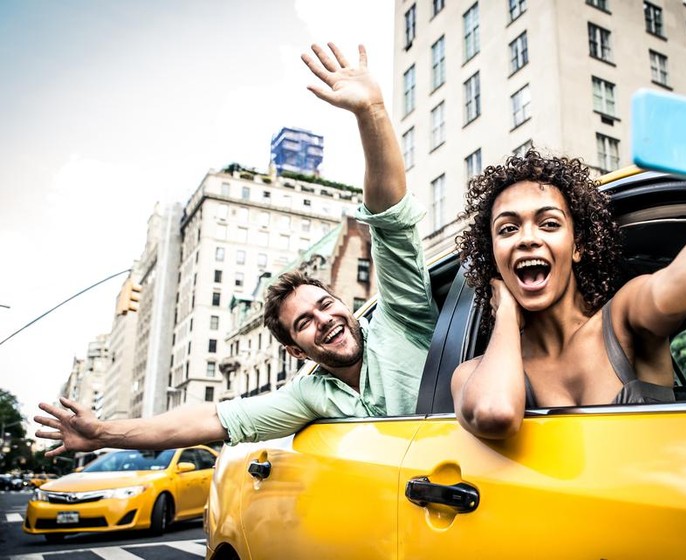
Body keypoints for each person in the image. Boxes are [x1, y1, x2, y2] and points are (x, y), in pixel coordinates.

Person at [35, 42, 438, 456]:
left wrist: (370, 111)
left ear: (345, 304)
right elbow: (208, 420)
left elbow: (389, 217)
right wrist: (102, 433)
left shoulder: (402, 317)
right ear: (295, 351)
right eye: (304, 322)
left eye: (325, 304)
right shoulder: (309, 395)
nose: (324, 319)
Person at [451, 87, 686, 440]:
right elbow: (495, 412)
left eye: (549, 223)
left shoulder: (624, 318)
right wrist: (504, 312)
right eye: (507, 229)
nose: (528, 238)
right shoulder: (472, 374)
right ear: (494, 258)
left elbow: (673, 285)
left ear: (578, 246)